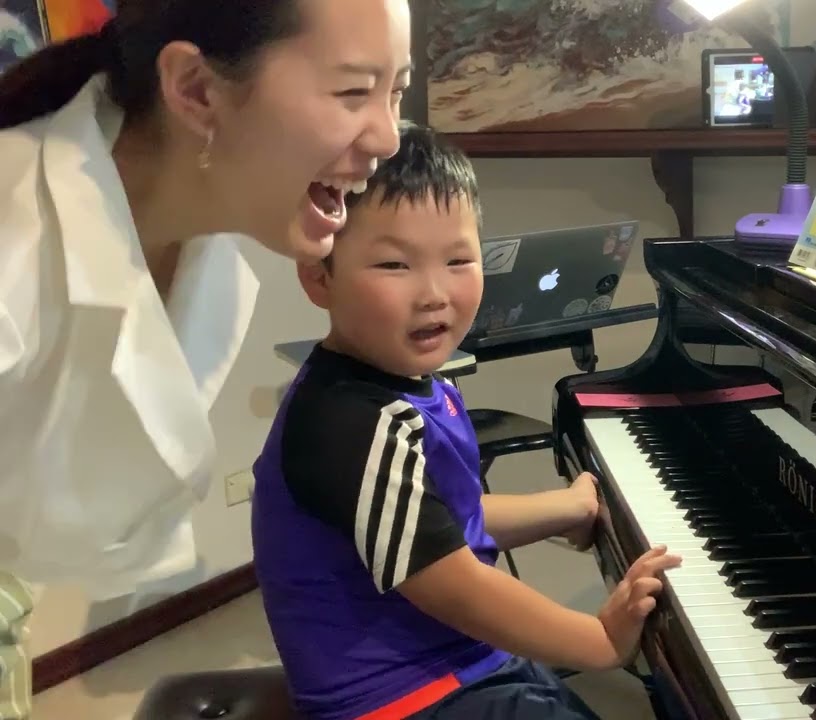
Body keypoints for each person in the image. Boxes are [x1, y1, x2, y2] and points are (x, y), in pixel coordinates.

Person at [0, 1, 409, 717]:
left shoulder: (202, 236)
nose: (387, 137)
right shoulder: (13, 240)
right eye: (353, 92)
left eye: (396, 91)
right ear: (195, 89)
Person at [251, 123, 682, 720]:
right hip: (400, 698)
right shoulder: (351, 423)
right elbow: (454, 583)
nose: (434, 293)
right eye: (395, 265)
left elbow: (450, 521)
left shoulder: (425, 386)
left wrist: (569, 505)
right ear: (319, 274)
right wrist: (600, 639)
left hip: (462, 665)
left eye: (459, 259)